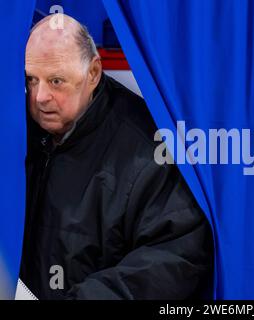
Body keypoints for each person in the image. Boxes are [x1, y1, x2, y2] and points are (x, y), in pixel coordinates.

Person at [20, 14, 213, 300]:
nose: (40, 97)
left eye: (56, 81)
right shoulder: (17, 131)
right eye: (31, 80)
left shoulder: (144, 147)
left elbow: (176, 255)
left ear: (93, 73)